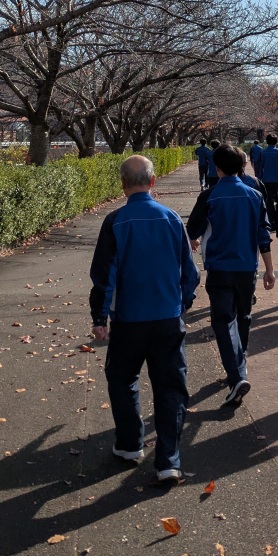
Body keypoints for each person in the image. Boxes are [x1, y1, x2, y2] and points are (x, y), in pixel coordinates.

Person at [90, 155, 199, 483]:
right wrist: (183, 303)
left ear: (122, 183)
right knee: (171, 387)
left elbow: (104, 275)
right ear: (153, 182)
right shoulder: (171, 218)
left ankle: (129, 443)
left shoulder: (115, 222)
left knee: (122, 378)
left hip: (128, 318)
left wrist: (100, 317)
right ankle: (168, 460)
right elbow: (189, 271)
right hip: (167, 316)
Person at [186, 145, 275, 407]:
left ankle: (236, 375)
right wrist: (269, 269)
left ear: (217, 168)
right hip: (247, 268)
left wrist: (195, 239)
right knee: (243, 317)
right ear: (243, 166)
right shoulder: (255, 195)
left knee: (223, 321)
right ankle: (239, 366)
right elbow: (263, 235)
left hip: (219, 267)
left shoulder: (209, 196)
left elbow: (192, 230)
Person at [259, 134, 278, 237]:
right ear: (276, 142)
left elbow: (260, 167)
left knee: (269, 201)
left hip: (266, 180)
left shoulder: (263, 152)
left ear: (267, 142)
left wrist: (259, 179)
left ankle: (271, 221)